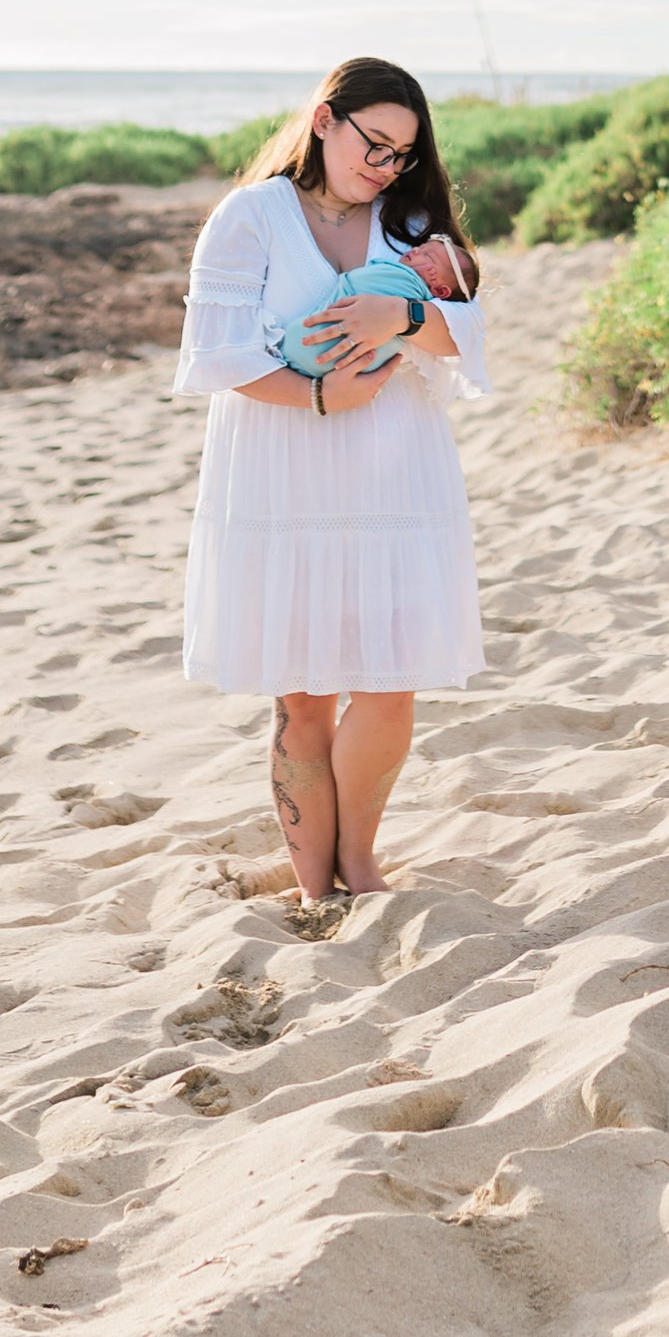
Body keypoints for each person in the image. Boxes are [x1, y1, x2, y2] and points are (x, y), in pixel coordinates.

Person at [175, 56, 486, 897]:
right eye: (372, 144)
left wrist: (407, 312)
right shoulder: (250, 217)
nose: (383, 166)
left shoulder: (409, 219)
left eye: (400, 154)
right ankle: (316, 887)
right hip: (284, 471)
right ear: (323, 120)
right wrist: (316, 393)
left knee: (389, 687)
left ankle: (360, 861)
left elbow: (471, 332)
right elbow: (219, 356)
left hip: (395, 475)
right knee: (303, 697)